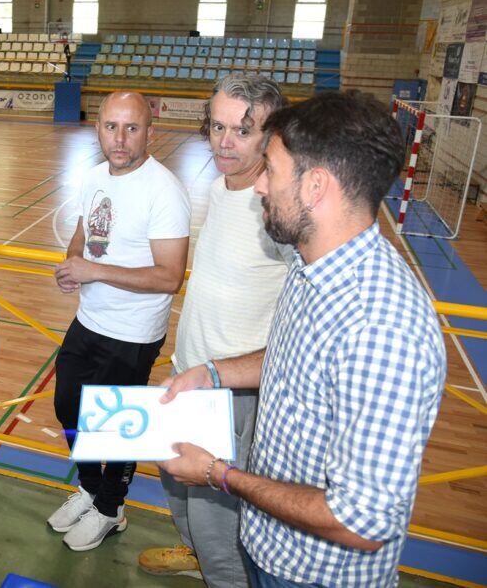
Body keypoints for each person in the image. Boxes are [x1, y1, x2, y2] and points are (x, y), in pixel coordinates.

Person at [158, 91, 447, 587]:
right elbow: (292, 357)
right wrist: (212, 372)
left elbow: (361, 522)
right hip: (267, 543)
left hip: (312, 575)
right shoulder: (311, 264)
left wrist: (217, 474)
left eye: (269, 168)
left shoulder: (382, 330)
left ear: (315, 185)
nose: (258, 186)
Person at [138, 74, 290, 584]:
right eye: (217, 127)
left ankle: (221, 573)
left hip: (232, 388)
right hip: (189, 374)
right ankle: (195, 555)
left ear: (271, 137)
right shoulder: (219, 186)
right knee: (175, 484)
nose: (225, 142)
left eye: (242, 131)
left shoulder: (283, 211)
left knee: (215, 519)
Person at [49, 91, 190, 552]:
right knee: (69, 407)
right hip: (88, 318)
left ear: (152, 132)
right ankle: (91, 487)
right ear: (97, 129)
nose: (121, 139)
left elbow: (170, 277)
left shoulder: (164, 190)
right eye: (112, 127)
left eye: (132, 128)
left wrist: (95, 270)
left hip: (132, 333)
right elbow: (80, 235)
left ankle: (112, 508)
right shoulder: (92, 178)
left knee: (118, 426)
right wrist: (74, 265)